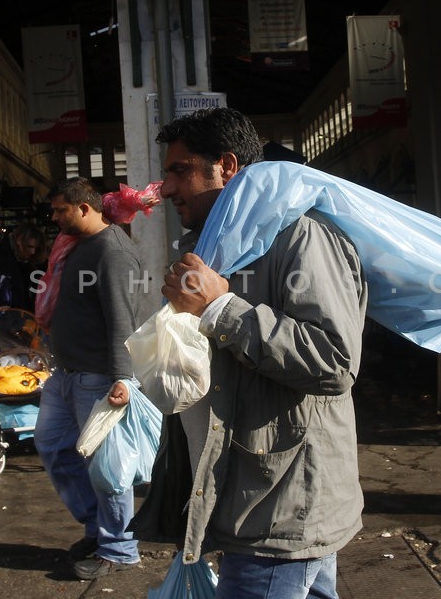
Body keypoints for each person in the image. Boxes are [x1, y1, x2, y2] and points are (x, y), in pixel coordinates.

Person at [150, 107, 368, 599]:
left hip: (278, 506)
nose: (165, 188)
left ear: (227, 166)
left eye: (180, 170)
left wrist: (222, 308)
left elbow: (334, 361)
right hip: (250, 494)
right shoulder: (215, 245)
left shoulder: (302, 237)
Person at [33, 177, 143, 580]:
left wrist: (123, 378)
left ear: (84, 208)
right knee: (53, 446)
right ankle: (99, 529)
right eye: (54, 210)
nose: (56, 217)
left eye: (61, 209)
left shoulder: (112, 253)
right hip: (66, 374)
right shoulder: (77, 246)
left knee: (107, 469)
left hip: (99, 377)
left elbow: (123, 320)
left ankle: (119, 548)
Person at [0, 222, 45, 317]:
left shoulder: (27, 263)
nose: (32, 252)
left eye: (35, 248)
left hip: (18, 318)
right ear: (19, 241)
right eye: (30, 246)